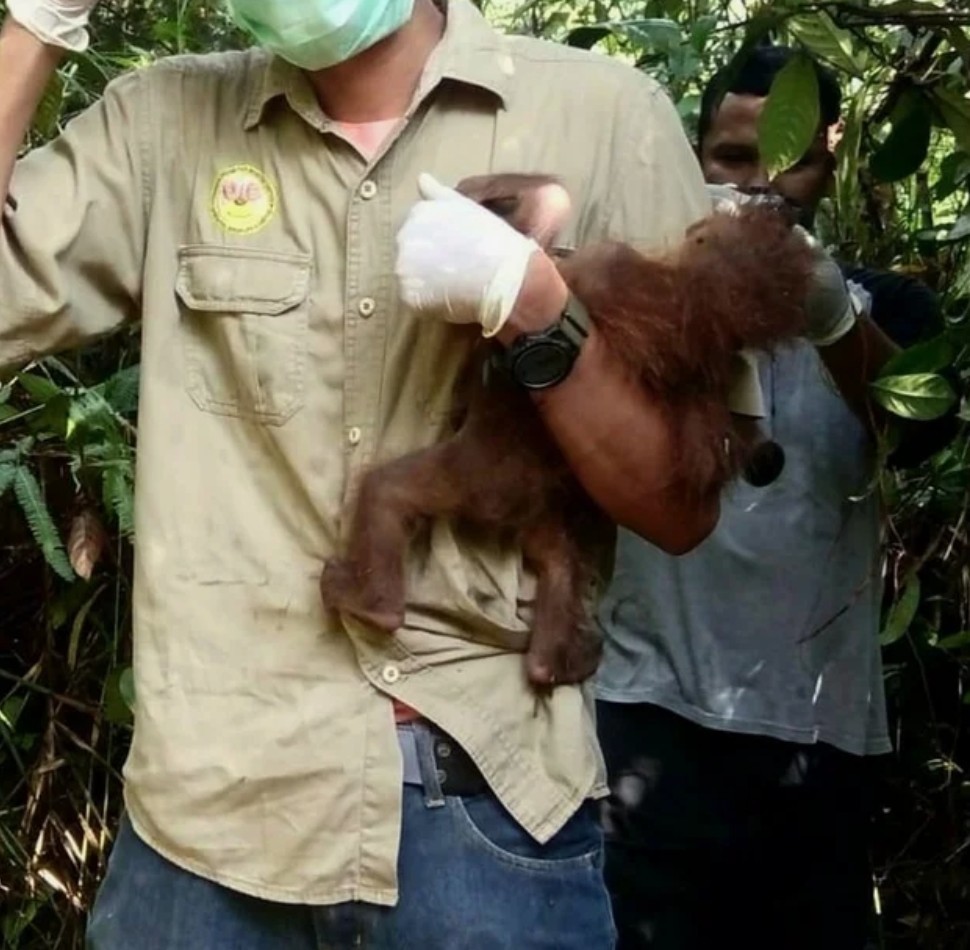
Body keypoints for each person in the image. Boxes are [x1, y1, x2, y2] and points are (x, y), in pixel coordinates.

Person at [0, 1, 796, 947]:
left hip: (489, 815)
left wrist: (541, 315)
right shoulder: (164, 124)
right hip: (210, 820)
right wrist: (35, 25)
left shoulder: (603, 115)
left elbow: (679, 504)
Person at [595, 44, 959, 950]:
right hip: (644, 717)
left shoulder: (887, 311)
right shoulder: (640, 296)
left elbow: (919, 428)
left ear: (827, 164)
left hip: (817, 731)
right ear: (695, 162)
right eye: (730, 160)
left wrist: (832, 315)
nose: (756, 187)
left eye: (783, 159)